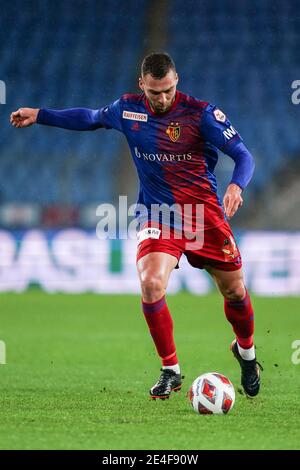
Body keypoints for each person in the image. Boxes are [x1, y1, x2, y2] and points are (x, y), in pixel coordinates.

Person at [10, 52, 261, 401]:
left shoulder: (200, 114)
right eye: (156, 92)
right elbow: (91, 118)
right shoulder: (127, 110)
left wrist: (236, 185)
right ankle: (171, 369)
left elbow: (244, 155)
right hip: (157, 215)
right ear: (142, 85)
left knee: (234, 291)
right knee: (151, 283)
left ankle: (246, 353)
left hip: (203, 217)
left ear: (177, 82)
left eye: (169, 90)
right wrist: (40, 115)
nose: (163, 99)